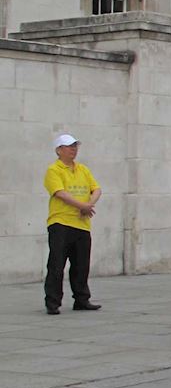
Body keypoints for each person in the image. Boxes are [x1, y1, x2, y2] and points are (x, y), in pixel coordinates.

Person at [43, 133, 102, 314]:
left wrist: (89, 205)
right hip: (60, 222)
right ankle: (53, 303)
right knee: (56, 265)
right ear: (59, 150)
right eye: (69, 146)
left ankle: (82, 300)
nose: (73, 150)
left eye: (75, 146)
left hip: (82, 224)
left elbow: (97, 189)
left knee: (81, 265)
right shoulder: (54, 170)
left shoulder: (83, 169)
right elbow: (60, 193)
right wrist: (83, 206)